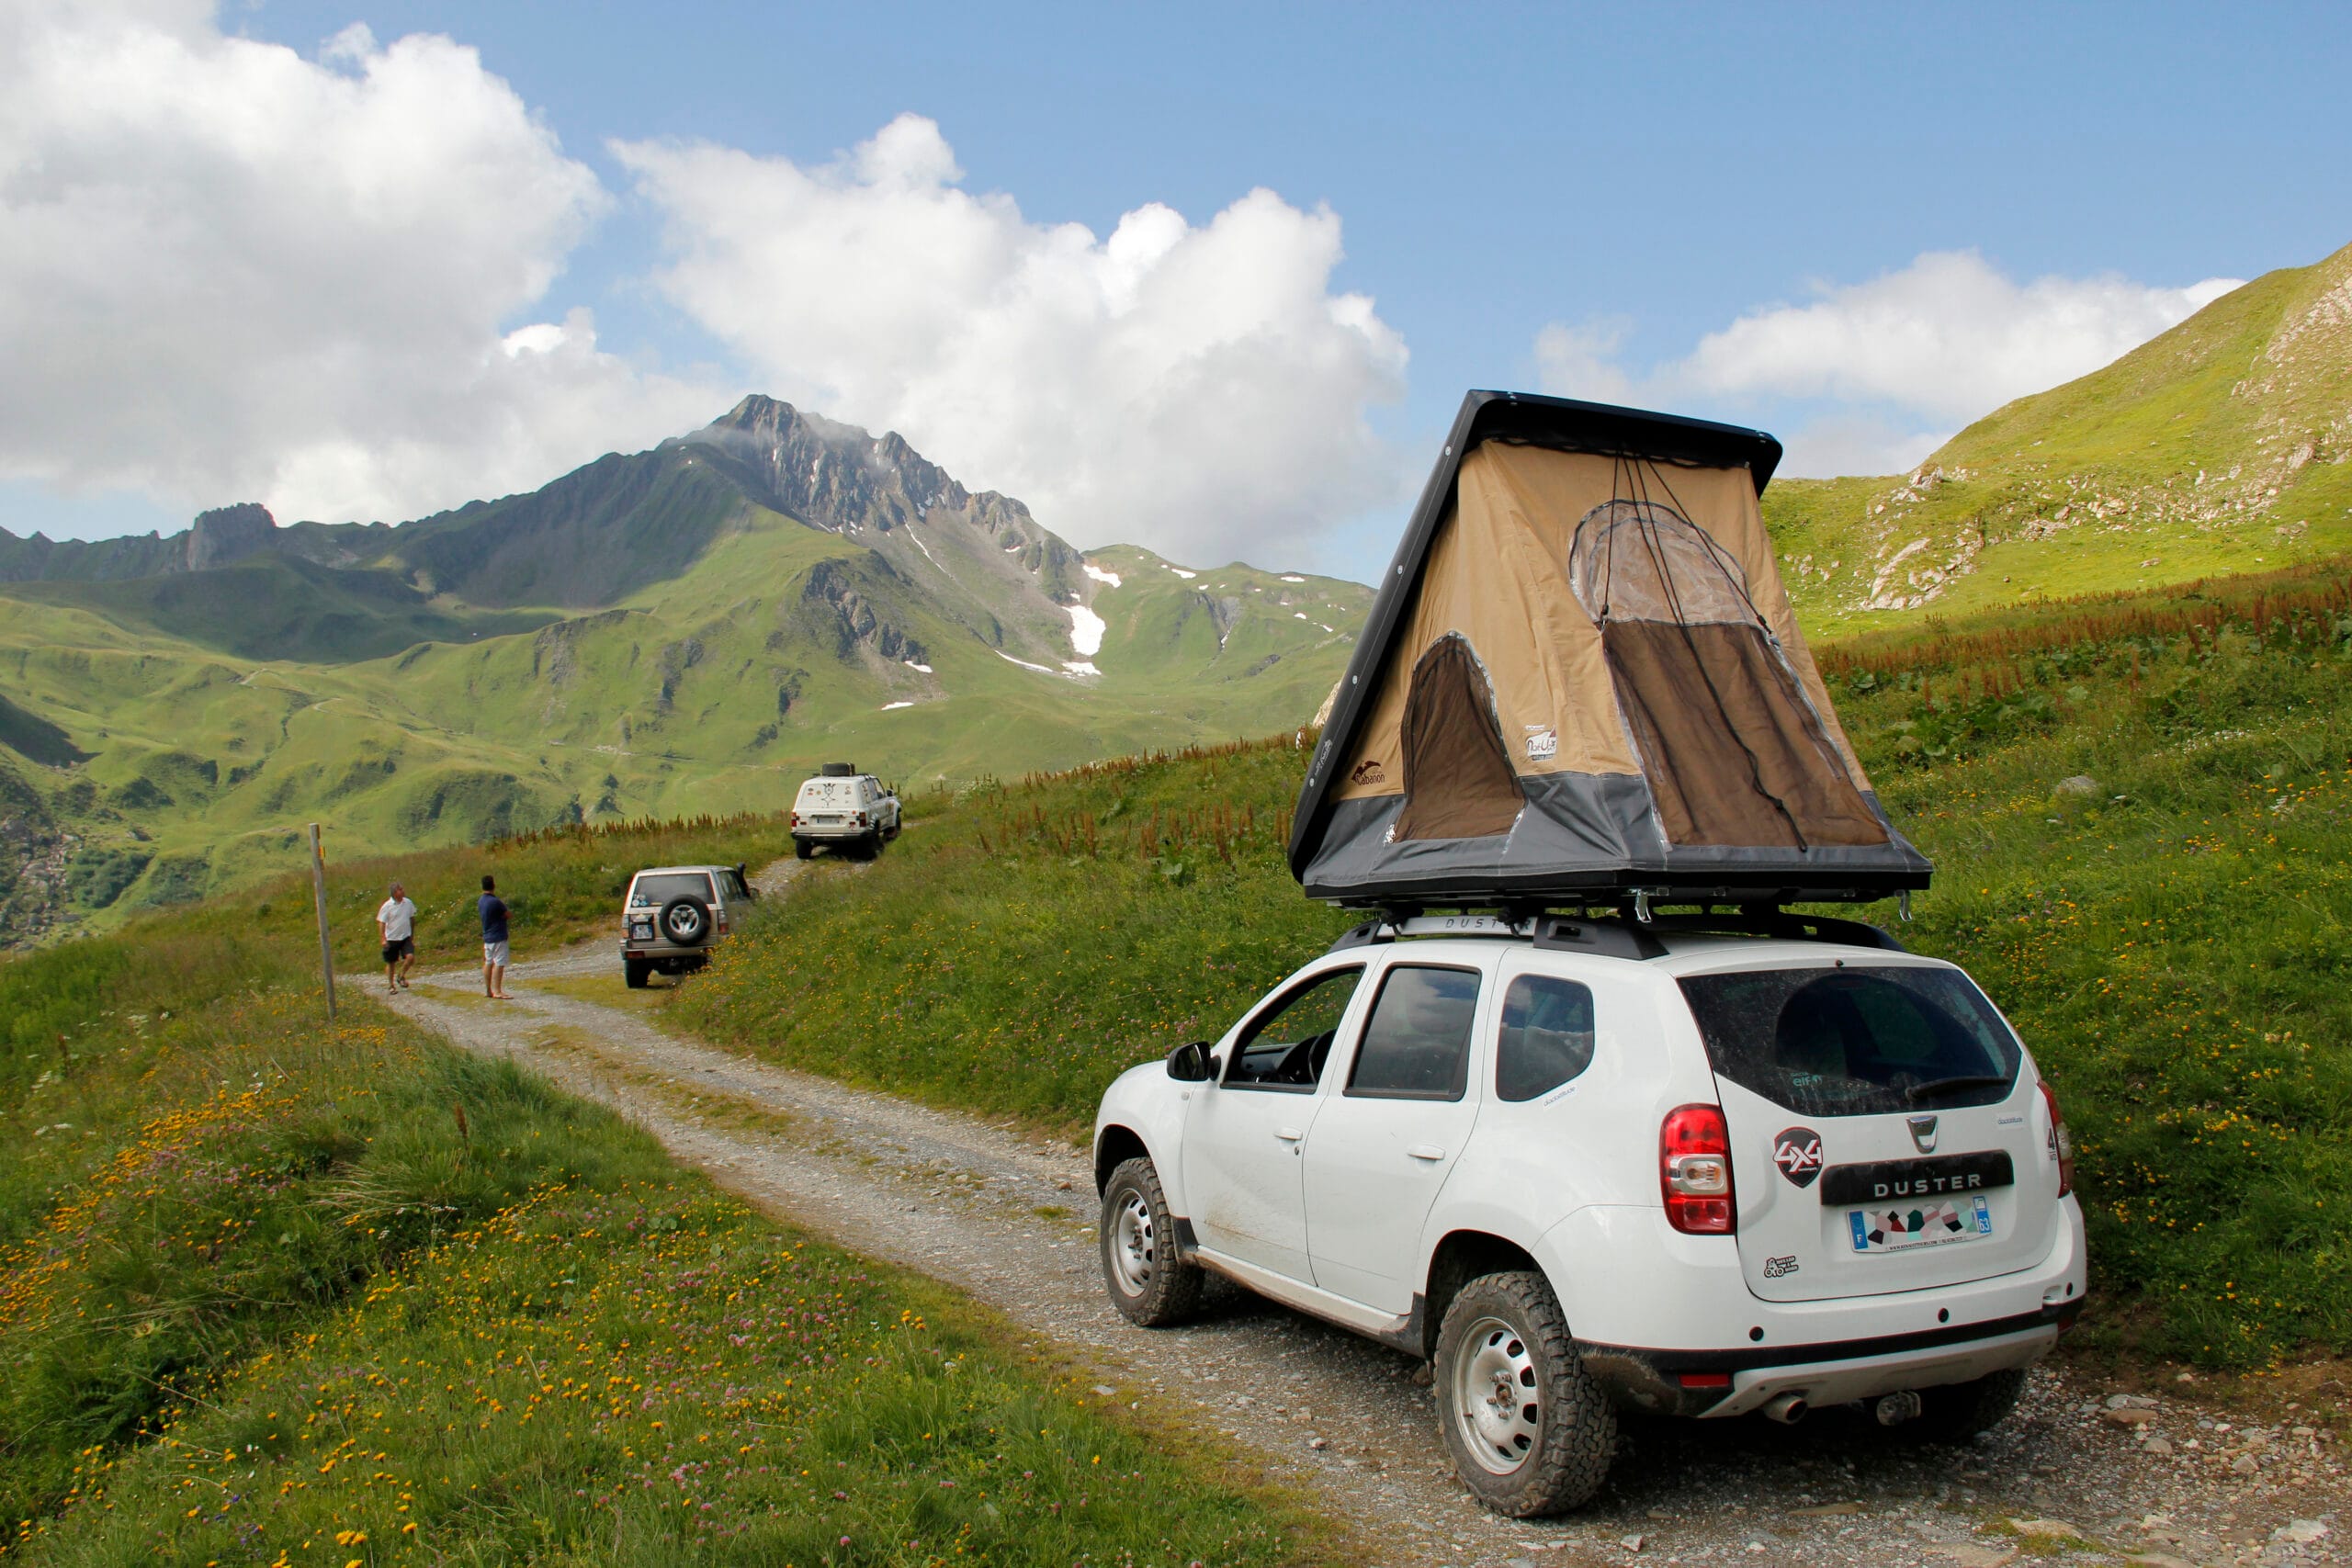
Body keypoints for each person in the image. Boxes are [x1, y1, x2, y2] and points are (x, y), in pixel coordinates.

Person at [375, 880, 418, 992]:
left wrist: (412, 936)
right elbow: (382, 923)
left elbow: (412, 918)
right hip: (392, 938)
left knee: (410, 957)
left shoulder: (408, 903)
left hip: (405, 937)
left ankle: (401, 975)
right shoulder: (387, 906)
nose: (403, 891)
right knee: (391, 963)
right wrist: (383, 938)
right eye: (400, 889)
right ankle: (391, 985)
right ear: (395, 893)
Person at [479, 874, 511, 998]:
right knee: (499, 963)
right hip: (498, 935)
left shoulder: (481, 901)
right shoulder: (496, 902)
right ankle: (497, 990)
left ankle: (488, 989)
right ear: (493, 885)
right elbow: (507, 914)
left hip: (487, 936)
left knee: (488, 962)